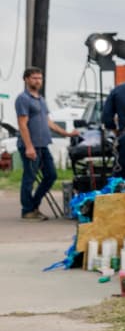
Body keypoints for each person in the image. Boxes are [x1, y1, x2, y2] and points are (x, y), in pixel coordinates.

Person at [15, 67, 79, 220]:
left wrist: (67, 133)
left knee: (51, 175)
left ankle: (34, 204)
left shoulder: (41, 99)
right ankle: (27, 210)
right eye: (34, 78)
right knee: (29, 178)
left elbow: (48, 122)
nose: (37, 81)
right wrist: (29, 147)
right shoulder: (23, 99)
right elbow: (22, 124)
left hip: (43, 145)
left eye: (40, 78)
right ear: (26, 79)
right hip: (31, 146)